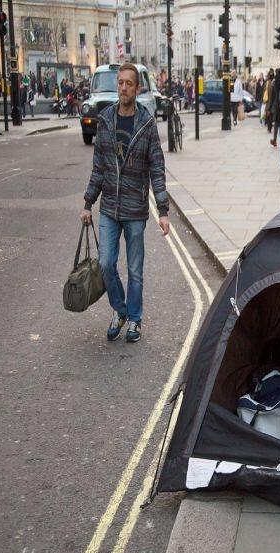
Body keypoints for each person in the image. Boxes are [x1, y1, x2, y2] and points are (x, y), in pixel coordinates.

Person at [79, 63, 170, 344]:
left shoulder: (146, 124)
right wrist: (88, 202)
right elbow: (99, 167)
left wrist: (163, 211)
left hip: (135, 210)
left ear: (138, 88)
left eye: (129, 83)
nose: (123, 88)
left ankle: (135, 319)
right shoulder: (105, 120)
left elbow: (157, 168)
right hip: (109, 208)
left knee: (134, 270)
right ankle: (120, 311)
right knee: (106, 264)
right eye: (120, 83)